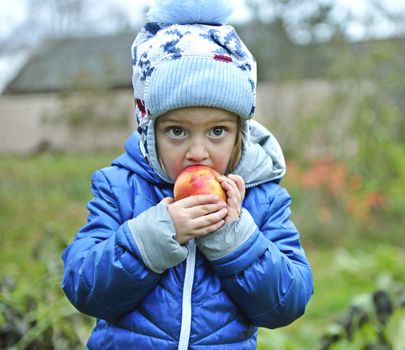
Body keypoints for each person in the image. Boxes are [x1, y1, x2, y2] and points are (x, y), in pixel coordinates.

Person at [61, 0, 314, 348]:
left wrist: (234, 238)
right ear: (150, 133)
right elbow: (84, 289)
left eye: (217, 131)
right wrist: (156, 235)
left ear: (241, 131)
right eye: (177, 131)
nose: (198, 151)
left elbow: (287, 304)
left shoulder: (263, 199)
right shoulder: (119, 188)